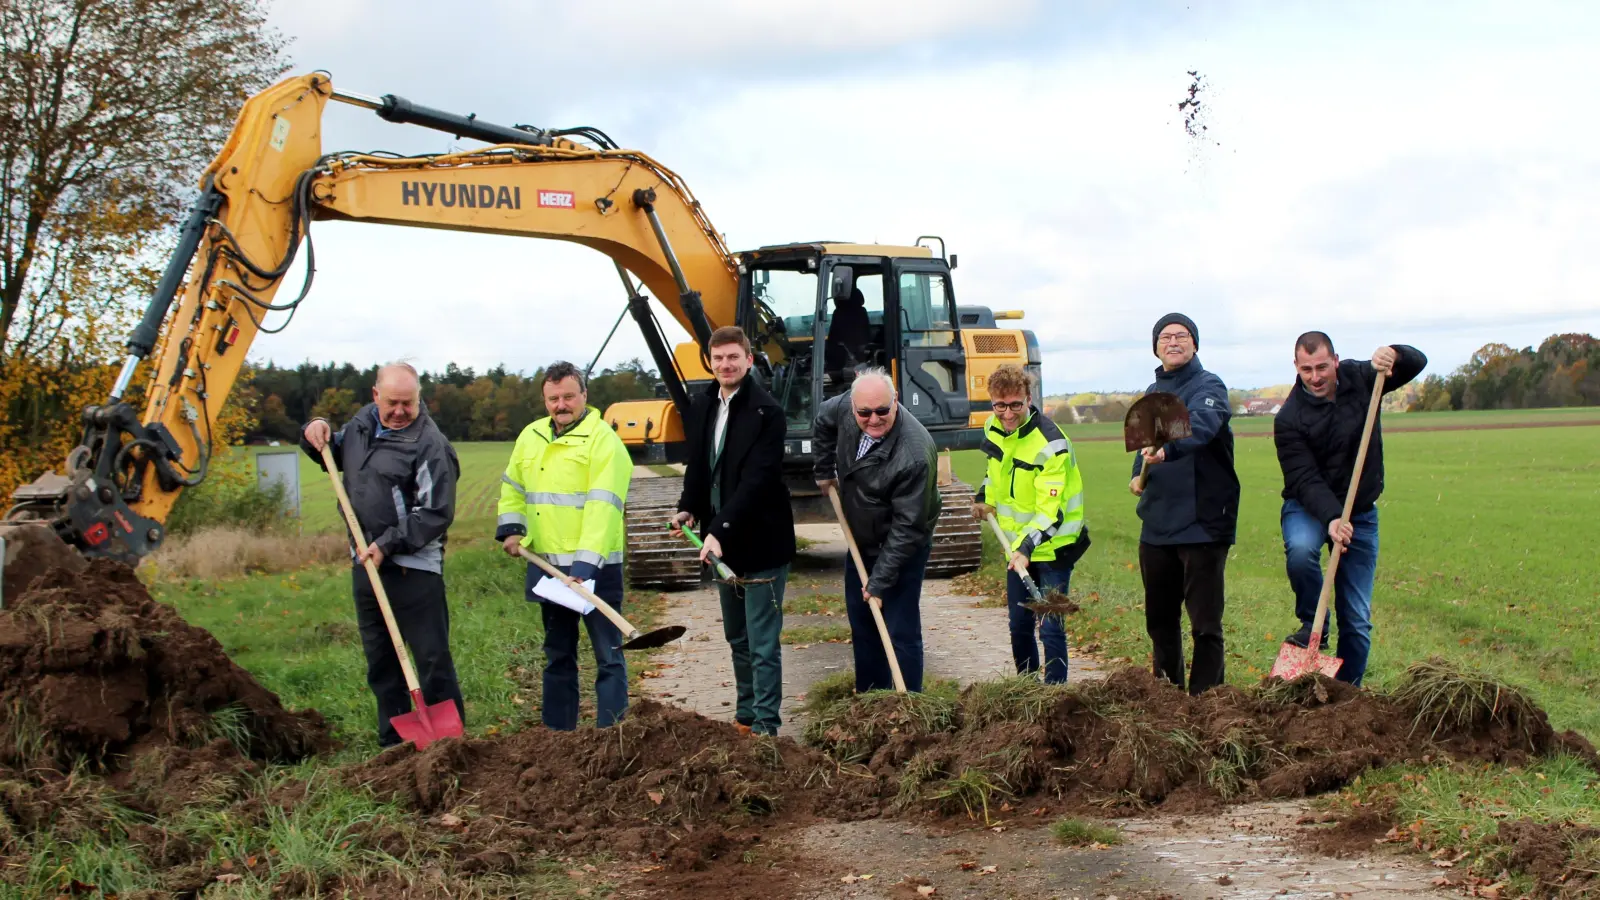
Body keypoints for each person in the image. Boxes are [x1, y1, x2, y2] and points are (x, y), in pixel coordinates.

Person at [301, 362, 464, 748]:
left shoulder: (430, 444)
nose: (400, 411)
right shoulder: (361, 425)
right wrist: (314, 430)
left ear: (419, 399)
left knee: (430, 658)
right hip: (365, 561)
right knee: (381, 660)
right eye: (392, 403)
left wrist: (387, 544)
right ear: (376, 396)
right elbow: (333, 453)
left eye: (409, 403)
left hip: (413, 568)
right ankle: (394, 744)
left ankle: (448, 747)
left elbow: (435, 512)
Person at [1275, 332, 1426, 685]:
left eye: (1322, 367)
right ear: (1296, 367)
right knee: (1301, 551)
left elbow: (1417, 363)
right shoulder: (1289, 418)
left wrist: (1395, 355)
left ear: (1335, 360)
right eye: (1307, 369)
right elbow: (1304, 478)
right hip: (1308, 506)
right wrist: (1332, 518)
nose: (1315, 377)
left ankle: (1347, 695)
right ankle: (1315, 622)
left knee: (1357, 619)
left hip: (1359, 509)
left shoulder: (1363, 378)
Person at [671, 326, 796, 736]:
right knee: (737, 637)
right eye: (718, 358)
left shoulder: (767, 412)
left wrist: (719, 528)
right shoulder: (704, 404)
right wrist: (688, 508)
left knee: (762, 643)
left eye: (733, 357)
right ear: (710, 361)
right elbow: (699, 465)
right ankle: (745, 717)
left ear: (748, 360)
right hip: (724, 544)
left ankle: (766, 727)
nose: (725, 365)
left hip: (762, 542)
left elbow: (757, 480)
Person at [496, 361, 634, 730]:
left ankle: (612, 736)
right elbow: (513, 488)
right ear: (545, 400)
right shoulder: (531, 436)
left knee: (609, 655)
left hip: (595, 569)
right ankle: (558, 738)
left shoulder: (604, 441)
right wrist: (512, 529)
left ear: (584, 395)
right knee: (557, 655)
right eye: (553, 399)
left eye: (569, 397)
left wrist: (584, 569)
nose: (561, 405)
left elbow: (603, 508)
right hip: (548, 568)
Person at [1130, 313, 1240, 695]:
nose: (1173, 342)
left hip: (1202, 522)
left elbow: (1203, 425)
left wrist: (1168, 450)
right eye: (1165, 337)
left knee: (1205, 626)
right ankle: (1167, 698)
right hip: (1157, 523)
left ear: (1194, 343)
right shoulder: (1152, 392)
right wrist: (1137, 473)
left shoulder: (1210, 386)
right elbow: (1143, 444)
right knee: (1160, 622)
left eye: (1181, 335)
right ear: (1155, 347)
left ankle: (1207, 703)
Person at [813, 367, 940, 693]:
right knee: (863, 624)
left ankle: (909, 704)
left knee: (899, 629)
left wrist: (880, 582)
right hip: (861, 539)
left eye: (882, 411)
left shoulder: (914, 455)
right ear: (853, 406)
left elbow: (907, 529)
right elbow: (823, 419)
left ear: (895, 401)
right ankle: (871, 701)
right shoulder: (845, 408)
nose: (873, 419)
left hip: (901, 545)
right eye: (864, 412)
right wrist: (824, 469)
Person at [971, 364, 1090, 684]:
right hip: (1017, 547)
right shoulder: (994, 428)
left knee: (1050, 626)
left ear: (1029, 399)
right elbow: (995, 470)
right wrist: (985, 497)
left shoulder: (1051, 444)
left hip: (1054, 548)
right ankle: (1027, 687)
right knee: (1019, 625)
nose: (1007, 414)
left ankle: (1056, 694)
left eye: (1015, 405)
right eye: (1000, 406)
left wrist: (1026, 548)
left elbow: (1052, 512)